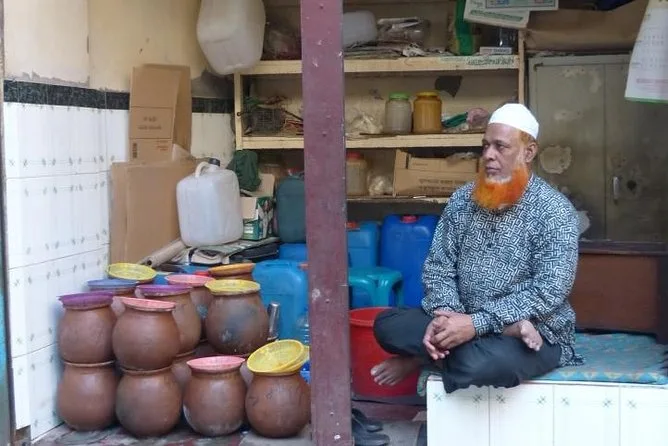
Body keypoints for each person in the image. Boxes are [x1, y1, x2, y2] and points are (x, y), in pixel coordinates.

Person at [371, 103, 584, 393]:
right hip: (464, 316)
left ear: (528, 152)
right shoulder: (463, 199)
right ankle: (479, 337)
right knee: (387, 325)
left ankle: (422, 359)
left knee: (477, 364)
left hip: (539, 330)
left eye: (500, 147)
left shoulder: (554, 211)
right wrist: (447, 318)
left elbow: (549, 291)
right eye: (485, 146)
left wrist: (476, 324)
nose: (488, 156)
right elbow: (438, 268)